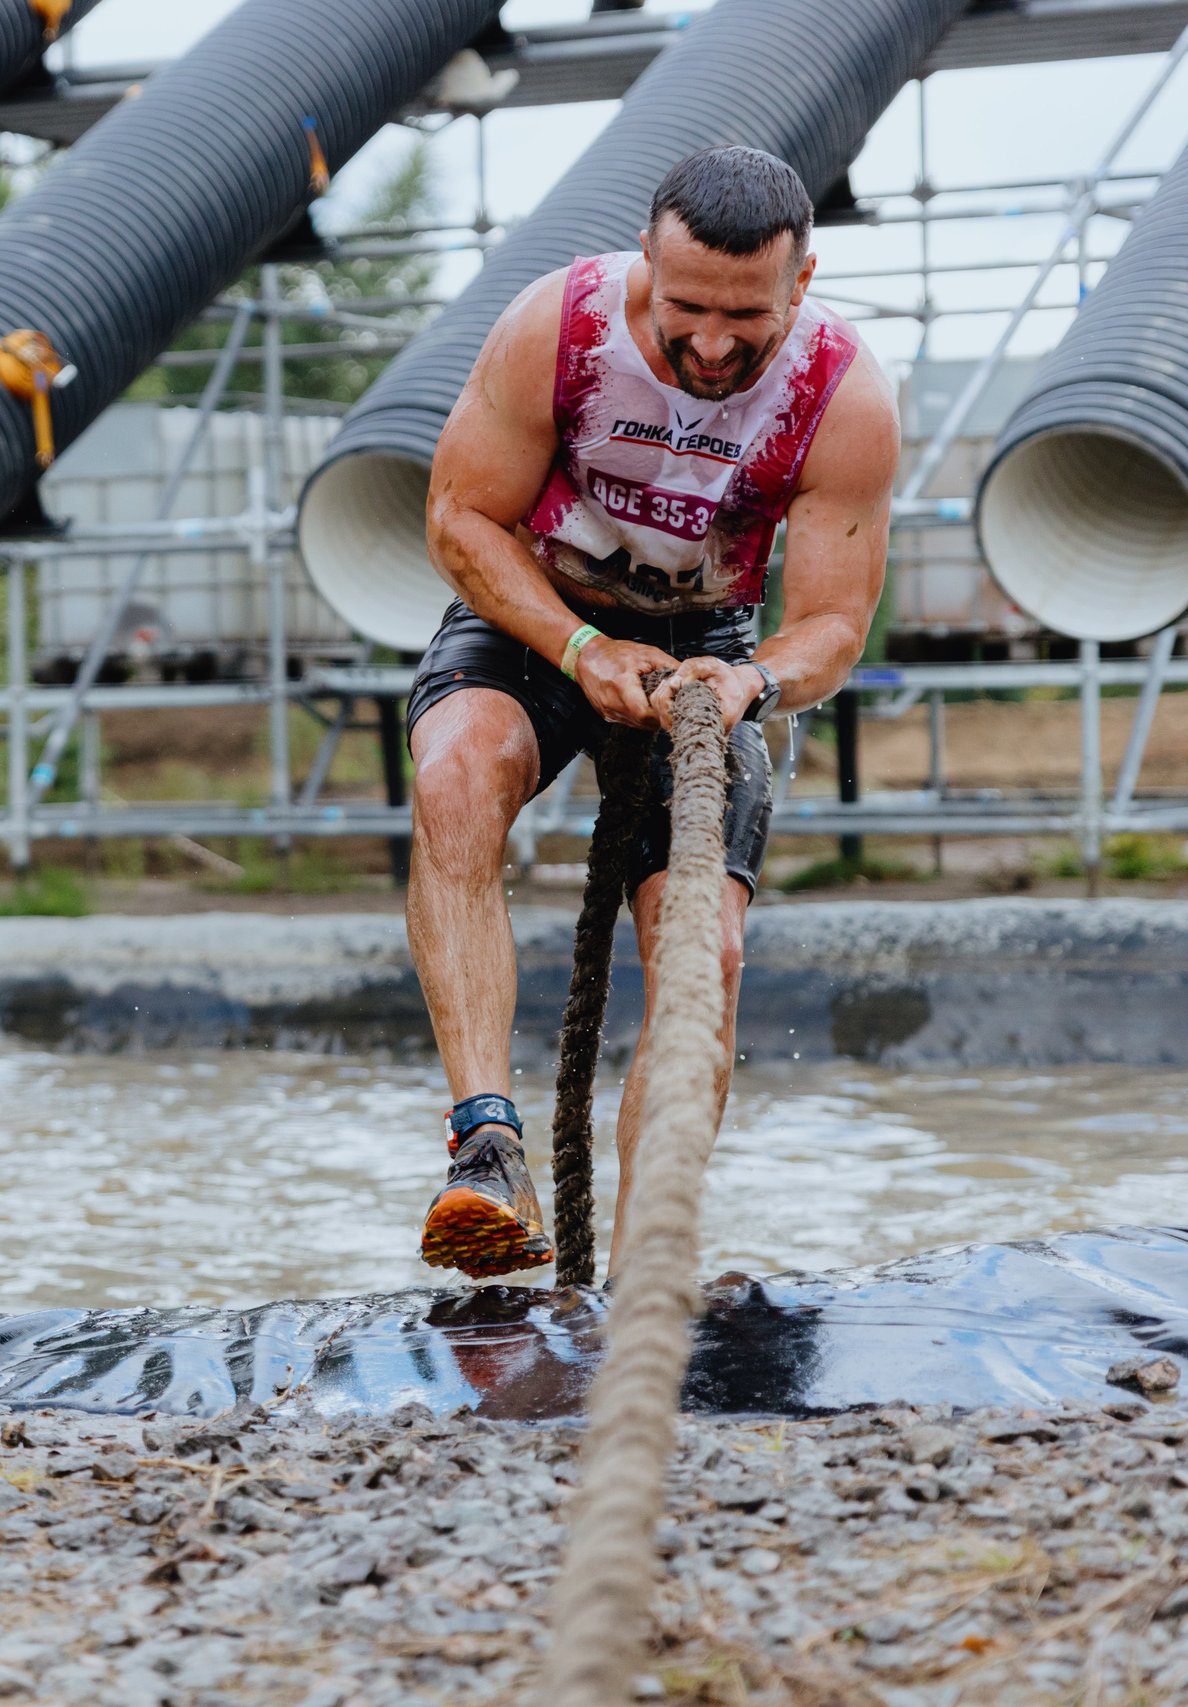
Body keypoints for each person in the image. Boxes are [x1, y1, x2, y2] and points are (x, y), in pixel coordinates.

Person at [407, 145, 898, 1279]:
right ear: (646, 261)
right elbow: (457, 519)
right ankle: (486, 1150)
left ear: (802, 282)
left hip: (708, 648)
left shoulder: (844, 397)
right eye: (688, 310)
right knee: (454, 775)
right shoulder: (558, 328)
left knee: (704, 947)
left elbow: (832, 624)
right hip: (542, 609)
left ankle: (643, 1272)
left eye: (747, 318)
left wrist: (749, 683)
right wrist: (577, 646)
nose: (713, 346)